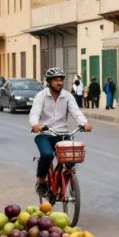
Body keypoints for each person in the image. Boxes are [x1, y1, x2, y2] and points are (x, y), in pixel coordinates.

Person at [29, 67, 92, 197]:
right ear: (49, 81)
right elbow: (34, 113)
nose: (59, 83)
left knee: (71, 160)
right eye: (56, 80)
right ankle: (41, 180)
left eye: (61, 80)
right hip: (45, 134)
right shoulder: (41, 96)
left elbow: (76, 112)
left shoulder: (67, 96)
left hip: (63, 134)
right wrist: (35, 125)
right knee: (47, 155)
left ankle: (62, 181)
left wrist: (84, 123)